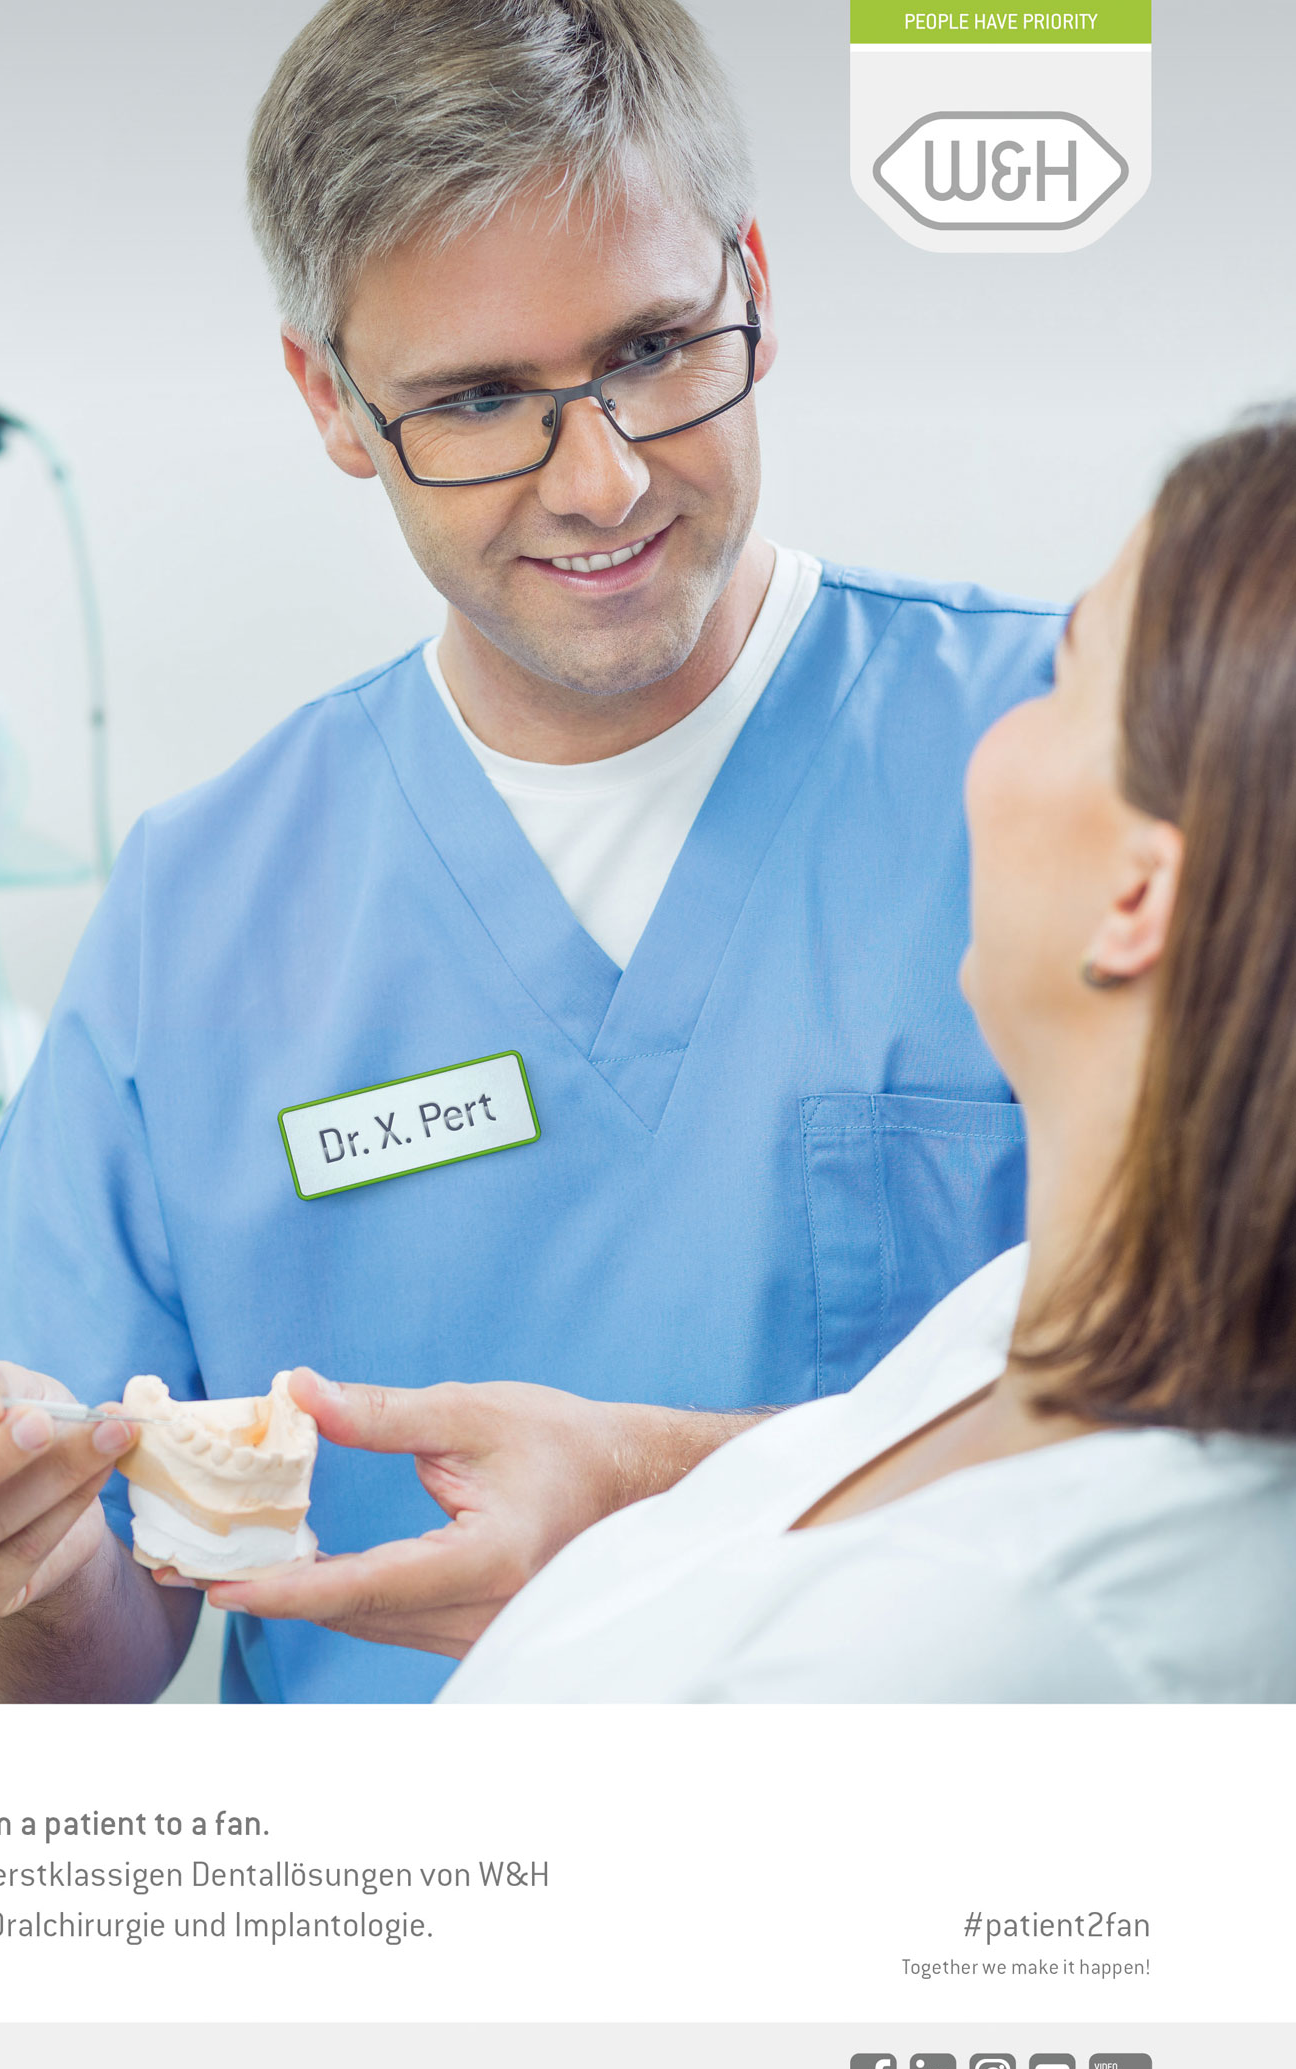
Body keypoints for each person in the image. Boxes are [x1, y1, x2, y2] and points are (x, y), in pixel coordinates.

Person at [0, 0, 1059, 1704]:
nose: (601, 480)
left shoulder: (1087, 750)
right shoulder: (209, 907)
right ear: (331, 400)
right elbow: (75, 1672)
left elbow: (1235, 1442)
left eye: (653, 348)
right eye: (477, 399)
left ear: (755, 283)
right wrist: (4, 1567)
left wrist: (660, 1496)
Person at [422, 412, 1296, 1699]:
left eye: (1060, 681)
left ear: (1137, 897)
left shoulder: (988, 1647)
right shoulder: (1040, 1317)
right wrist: (624, 1483)